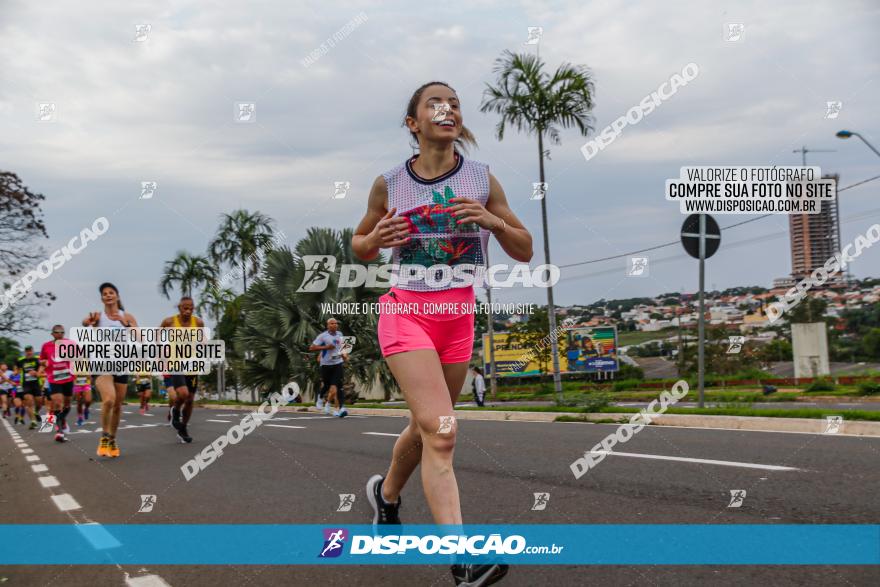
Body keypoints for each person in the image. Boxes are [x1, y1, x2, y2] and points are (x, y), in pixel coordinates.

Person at [352, 81, 532, 586]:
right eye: (434, 103)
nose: (446, 108)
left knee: (426, 425)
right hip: (406, 313)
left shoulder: (480, 179)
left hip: (458, 319)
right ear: (413, 123)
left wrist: (491, 221)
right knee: (443, 434)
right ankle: (462, 563)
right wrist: (376, 239)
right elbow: (360, 244)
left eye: (453, 102)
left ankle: (386, 498)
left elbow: (525, 249)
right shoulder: (389, 184)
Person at [82, 282, 139, 457]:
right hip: (101, 364)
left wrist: (125, 324)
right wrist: (88, 323)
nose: (108, 295)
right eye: (105, 293)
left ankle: (113, 439)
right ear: (102, 298)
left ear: (117, 296)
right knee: (109, 400)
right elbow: (85, 324)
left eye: (111, 292)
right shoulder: (98, 317)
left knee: (117, 406)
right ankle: (104, 437)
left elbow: (140, 337)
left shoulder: (127, 316)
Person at [159, 297, 204, 443]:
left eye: (191, 307)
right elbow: (158, 334)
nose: (188, 310)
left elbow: (202, 339)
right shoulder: (169, 322)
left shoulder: (198, 322)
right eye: (185, 307)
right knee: (183, 393)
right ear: (179, 307)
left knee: (190, 400)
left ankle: (183, 428)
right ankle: (175, 410)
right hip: (175, 362)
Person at [39, 325, 76, 442]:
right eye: (57, 332)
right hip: (53, 379)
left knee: (67, 405)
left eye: (62, 332)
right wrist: (44, 363)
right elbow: (42, 360)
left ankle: (62, 421)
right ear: (52, 334)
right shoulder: (46, 346)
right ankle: (58, 431)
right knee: (55, 404)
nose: (60, 334)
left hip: (68, 378)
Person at [309, 318, 349, 417]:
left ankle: (341, 408)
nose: (335, 325)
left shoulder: (340, 334)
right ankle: (320, 397)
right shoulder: (322, 336)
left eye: (336, 323)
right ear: (328, 325)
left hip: (337, 363)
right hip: (326, 364)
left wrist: (344, 355)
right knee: (327, 385)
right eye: (332, 323)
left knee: (337, 386)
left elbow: (344, 348)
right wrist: (326, 347)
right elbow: (311, 347)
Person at [16, 346, 43, 429]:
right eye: (27, 351)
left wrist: (37, 372)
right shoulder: (20, 360)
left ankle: (36, 412)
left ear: (33, 351)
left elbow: (43, 366)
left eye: (30, 351)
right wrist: (15, 373)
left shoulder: (38, 358)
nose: (29, 352)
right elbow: (17, 369)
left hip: (37, 384)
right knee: (29, 402)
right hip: (26, 384)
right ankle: (33, 421)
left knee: (39, 403)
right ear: (25, 352)